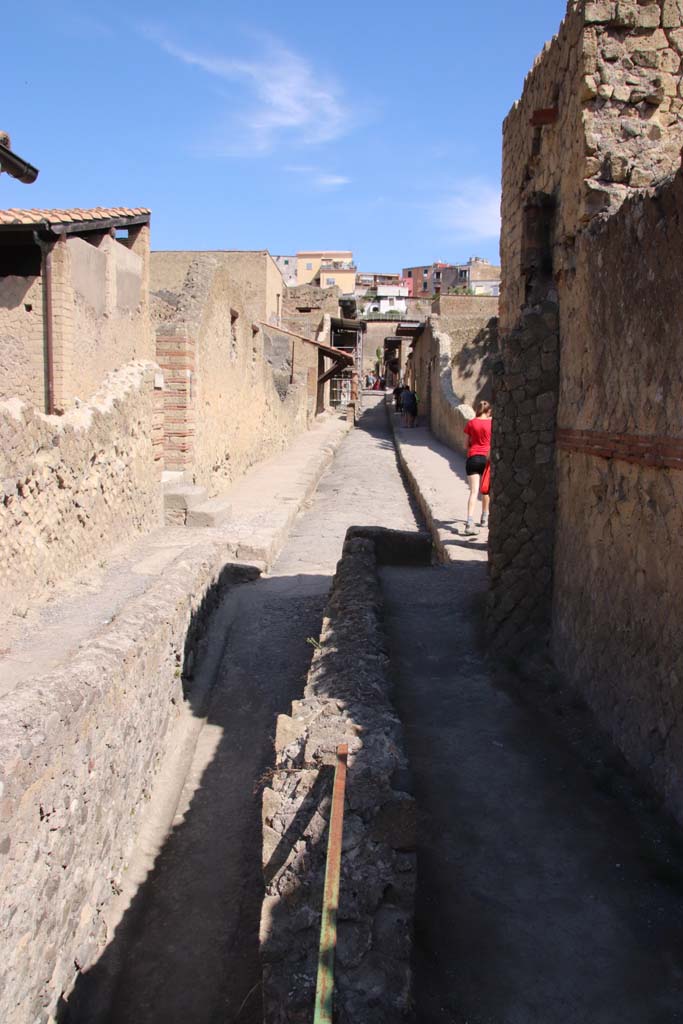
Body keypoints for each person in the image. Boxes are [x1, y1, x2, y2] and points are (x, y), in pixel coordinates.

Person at [463, 400, 492, 535]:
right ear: (489, 411)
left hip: (473, 458)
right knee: (485, 490)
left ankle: (469, 522)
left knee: (474, 491)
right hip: (486, 459)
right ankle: (485, 518)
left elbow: (465, 445)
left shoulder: (471, 423)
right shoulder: (491, 423)